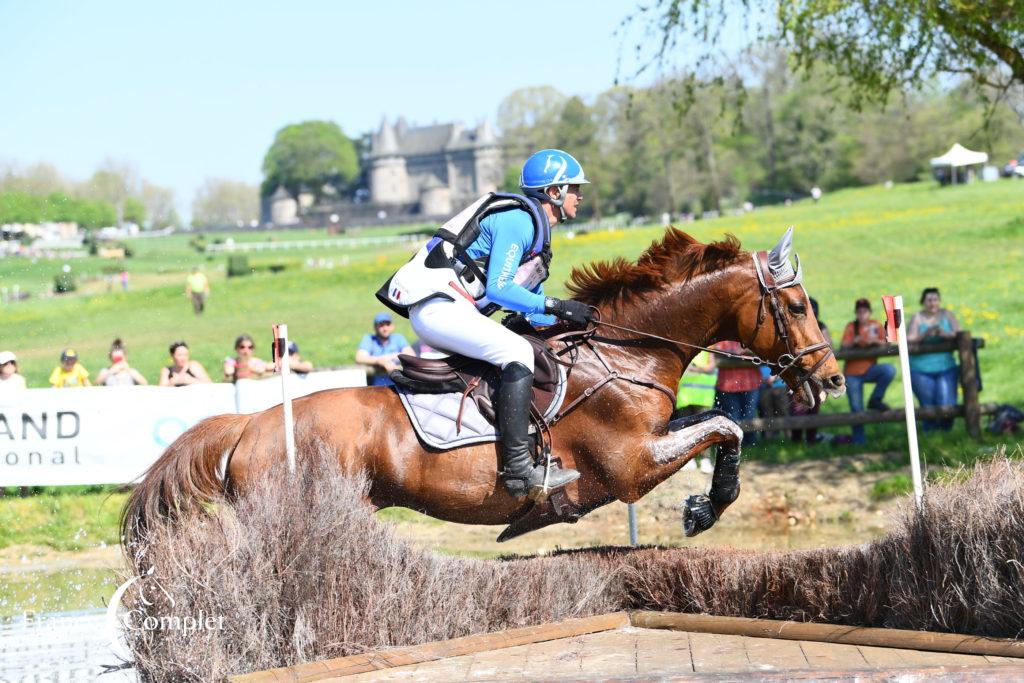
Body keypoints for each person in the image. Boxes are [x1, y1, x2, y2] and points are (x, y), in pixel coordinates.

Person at [376, 149, 594, 497]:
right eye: (574, 188)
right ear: (554, 192)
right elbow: (500, 288)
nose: (580, 196)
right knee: (518, 352)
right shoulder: (519, 221)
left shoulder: (536, 234)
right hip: (438, 307)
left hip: (449, 308)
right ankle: (520, 470)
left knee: (524, 347)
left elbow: (530, 309)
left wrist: (579, 318)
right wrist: (558, 305)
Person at [840, 298, 896, 444]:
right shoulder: (851, 326)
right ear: (856, 313)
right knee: (856, 409)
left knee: (889, 370)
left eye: (865, 311)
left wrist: (875, 342)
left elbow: (887, 344)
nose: (862, 314)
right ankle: (860, 442)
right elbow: (843, 347)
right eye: (859, 312)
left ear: (869, 312)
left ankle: (875, 399)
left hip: (870, 369)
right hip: (852, 373)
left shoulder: (876, 325)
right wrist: (855, 342)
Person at [908, 287, 960, 432]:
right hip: (921, 369)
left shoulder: (947, 315)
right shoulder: (917, 317)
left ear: (939, 301)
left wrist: (944, 334)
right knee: (928, 405)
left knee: (947, 403)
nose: (932, 303)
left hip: (946, 367)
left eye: (935, 299)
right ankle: (930, 435)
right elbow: (910, 338)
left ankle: (946, 434)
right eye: (929, 300)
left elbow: (959, 333)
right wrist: (925, 334)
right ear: (923, 302)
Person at [791, 297, 832, 444]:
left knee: (814, 406)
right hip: (800, 374)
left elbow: (829, 346)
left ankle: (811, 439)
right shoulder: (797, 327)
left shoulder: (820, 326)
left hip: (816, 374)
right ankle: (796, 440)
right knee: (798, 407)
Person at [673, 350, 717, 472]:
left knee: (704, 428)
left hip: (703, 397)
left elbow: (711, 367)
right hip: (685, 396)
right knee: (685, 428)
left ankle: (705, 459)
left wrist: (696, 370)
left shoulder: (708, 349)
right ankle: (687, 459)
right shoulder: (684, 349)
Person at [712, 341, 760, 445]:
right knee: (733, 416)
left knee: (749, 415)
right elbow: (716, 356)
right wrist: (739, 354)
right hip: (727, 385)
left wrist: (744, 352)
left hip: (750, 383)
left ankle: (750, 444)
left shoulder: (749, 338)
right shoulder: (722, 340)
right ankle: (735, 444)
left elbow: (761, 354)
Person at [355, 313, 413, 386]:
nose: (385, 328)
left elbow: (411, 355)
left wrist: (394, 357)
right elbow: (360, 358)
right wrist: (380, 361)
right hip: (376, 388)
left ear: (392, 326)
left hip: (399, 386)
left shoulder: (398, 338)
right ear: (375, 327)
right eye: (381, 325)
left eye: (387, 324)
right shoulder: (369, 339)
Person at [757, 365, 789, 441]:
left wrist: (774, 378)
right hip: (763, 386)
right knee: (766, 412)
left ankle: (788, 436)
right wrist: (763, 380)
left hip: (779, 386)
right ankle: (768, 438)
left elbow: (786, 367)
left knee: (782, 411)